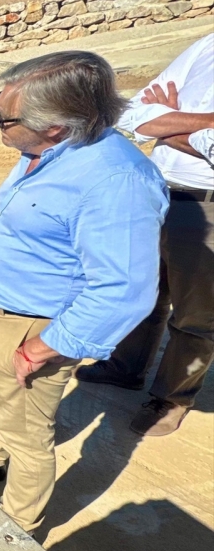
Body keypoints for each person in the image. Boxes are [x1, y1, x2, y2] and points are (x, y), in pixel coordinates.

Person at [0, 51, 168, 536]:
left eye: (4, 119)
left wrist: (45, 345)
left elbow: (124, 288)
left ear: (56, 125)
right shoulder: (48, 150)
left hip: (32, 326)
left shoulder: (116, 181)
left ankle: (18, 529)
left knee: (29, 436)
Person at [75, 33, 213, 436]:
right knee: (142, 290)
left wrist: (168, 121)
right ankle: (126, 368)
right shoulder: (206, 46)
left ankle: (172, 398)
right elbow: (133, 112)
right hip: (157, 192)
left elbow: (151, 124)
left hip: (207, 204)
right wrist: (201, 127)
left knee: (196, 314)